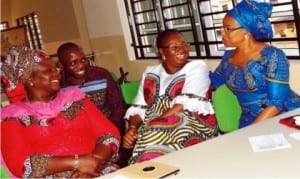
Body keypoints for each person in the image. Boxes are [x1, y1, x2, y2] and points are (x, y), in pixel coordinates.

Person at [0, 46, 120, 178]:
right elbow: (21, 165)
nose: (57, 74)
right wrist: (77, 162)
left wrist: (91, 166)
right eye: (49, 71)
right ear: (30, 80)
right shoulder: (12, 117)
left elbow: (109, 133)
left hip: (98, 170)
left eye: (56, 69)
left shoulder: (76, 99)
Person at [122, 29, 218, 164]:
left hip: (193, 122)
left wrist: (152, 127)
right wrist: (132, 129)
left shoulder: (196, 67)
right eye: (175, 47)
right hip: (155, 128)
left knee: (153, 138)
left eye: (184, 45)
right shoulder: (150, 72)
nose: (182, 50)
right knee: (155, 151)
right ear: (162, 52)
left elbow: (182, 106)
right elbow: (139, 106)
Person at [209, 0, 300, 128]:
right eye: (222, 29)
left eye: (228, 29)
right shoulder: (228, 57)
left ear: (246, 30)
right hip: (248, 121)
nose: (222, 34)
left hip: (284, 118)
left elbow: (276, 104)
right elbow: (215, 82)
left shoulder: (272, 55)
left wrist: (250, 131)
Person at [56, 42, 126, 135]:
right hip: (80, 134)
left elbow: (118, 106)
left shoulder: (101, 74)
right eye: (73, 63)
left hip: (108, 127)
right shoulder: (60, 85)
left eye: (83, 60)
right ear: (61, 65)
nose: (81, 66)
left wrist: (109, 128)